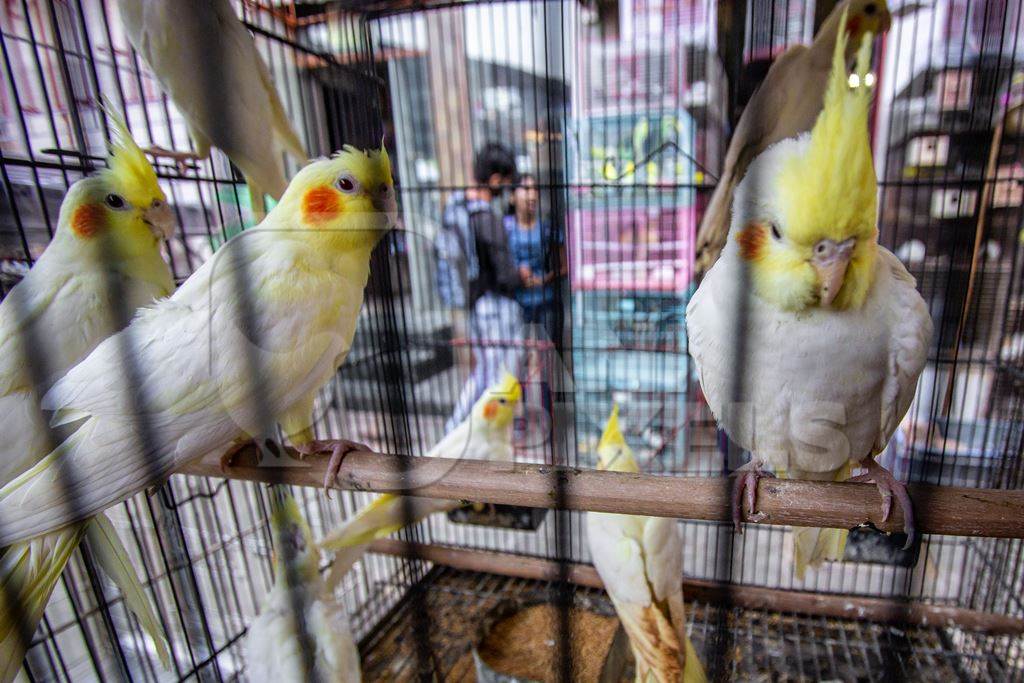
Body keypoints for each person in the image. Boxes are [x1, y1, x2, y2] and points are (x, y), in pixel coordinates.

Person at [442, 143, 527, 432]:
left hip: (475, 305)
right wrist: (522, 275)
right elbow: (505, 275)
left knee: (483, 375)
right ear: (495, 179)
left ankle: (456, 430)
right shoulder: (488, 219)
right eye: (505, 181)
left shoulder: (457, 208)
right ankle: (474, 433)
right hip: (496, 307)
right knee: (498, 377)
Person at [504, 174, 564, 344]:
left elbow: (565, 266)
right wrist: (516, 275)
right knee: (516, 358)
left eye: (535, 190)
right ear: (512, 196)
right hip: (515, 305)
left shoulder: (547, 229)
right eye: (526, 189)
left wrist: (544, 280)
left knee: (549, 355)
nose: (532, 195)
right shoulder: (503, 228)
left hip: (545, 303)